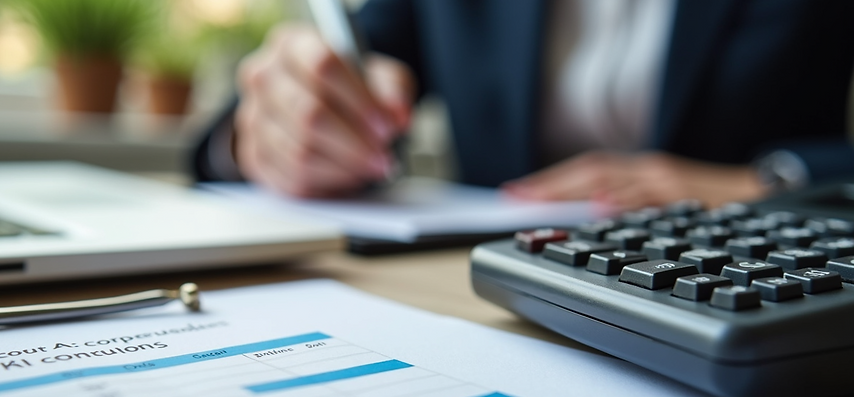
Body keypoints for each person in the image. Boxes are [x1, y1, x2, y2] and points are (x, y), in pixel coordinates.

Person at [192, 0, 854, 209]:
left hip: (745, 276)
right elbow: (342, 73)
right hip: (479, 294)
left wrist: (760, 184)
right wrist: (271, 129)